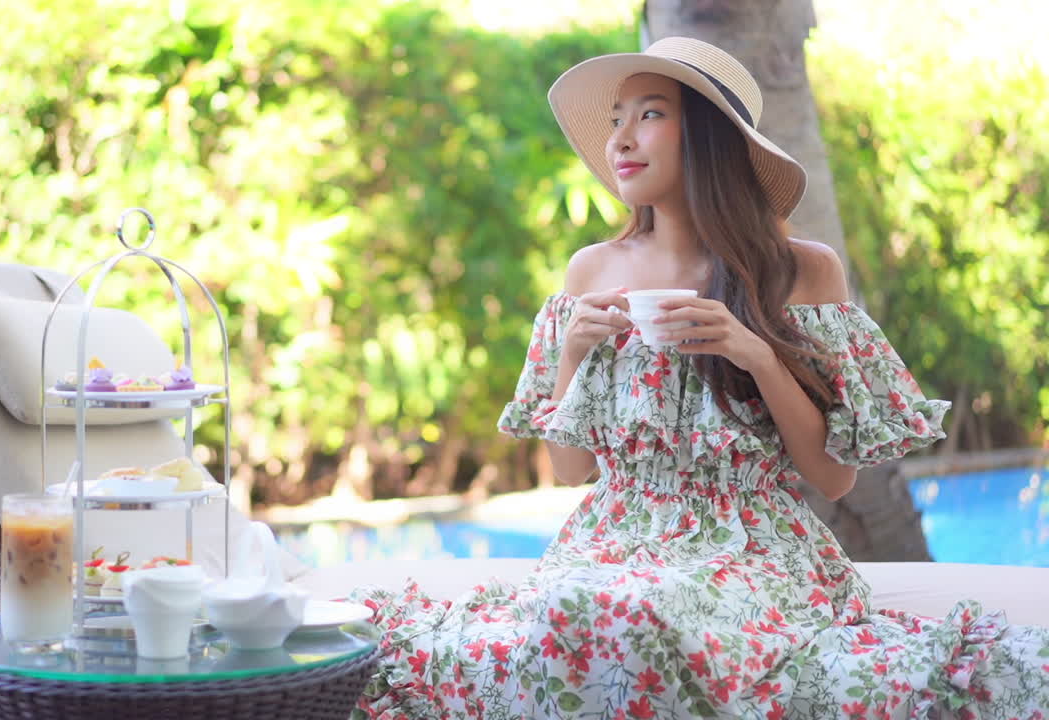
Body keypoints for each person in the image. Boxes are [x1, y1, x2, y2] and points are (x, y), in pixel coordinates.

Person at [349, 37, 1049, 719]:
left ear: (710, 137)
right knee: (569, 623)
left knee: (638, 618)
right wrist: (571, 355)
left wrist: (757, 355)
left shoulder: (800, 270)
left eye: (649, 113)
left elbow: (832, 480)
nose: (620, 137)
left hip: (751, 549)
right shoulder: (591, 272)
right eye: (616, 118)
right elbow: (569, 470)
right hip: (608, 546)